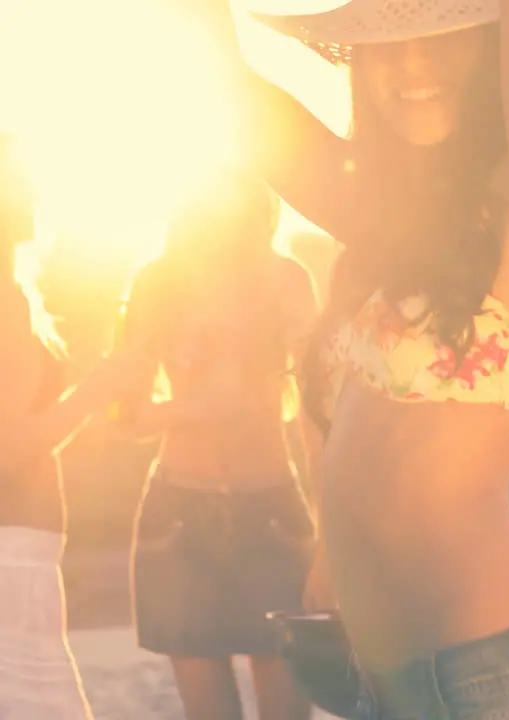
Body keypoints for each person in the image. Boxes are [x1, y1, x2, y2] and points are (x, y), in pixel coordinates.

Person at [190, 0, 509, 716]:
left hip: (501, 685)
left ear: (493, 53)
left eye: (441, 39)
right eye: (386, 43)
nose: (411, 64)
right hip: (390, 692)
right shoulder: (378, 216)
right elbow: (222, 85)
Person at [115, 172, 319, 720]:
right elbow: (123, 411)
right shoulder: (158, 283)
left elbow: (321, 402)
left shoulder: (285, 280)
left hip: (270, 507)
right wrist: (193, 408)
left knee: (287, 696)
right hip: (177, 517)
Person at [0, 134, 147, 719]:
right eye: (21, 178)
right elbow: (10, 450)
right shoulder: (5, 302)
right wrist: (101, 386)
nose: (37, 191)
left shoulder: (17, 294)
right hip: (13, 561)